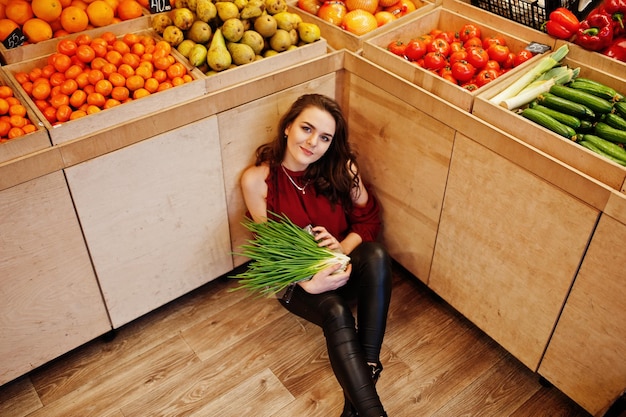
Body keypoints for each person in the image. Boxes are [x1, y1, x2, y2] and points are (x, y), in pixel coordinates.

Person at [240, 93, 392, 417]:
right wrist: (308, 283)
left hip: (342, 268)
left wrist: (342, 248)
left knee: (377, 255)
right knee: (336, 311)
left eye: (324, 137)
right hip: (298, 285)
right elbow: (270, 254)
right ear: (287, 127)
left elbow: (369, 219)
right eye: (306, 129)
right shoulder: (258, 181)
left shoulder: (341, 168)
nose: (313, 143)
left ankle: (364, 379)